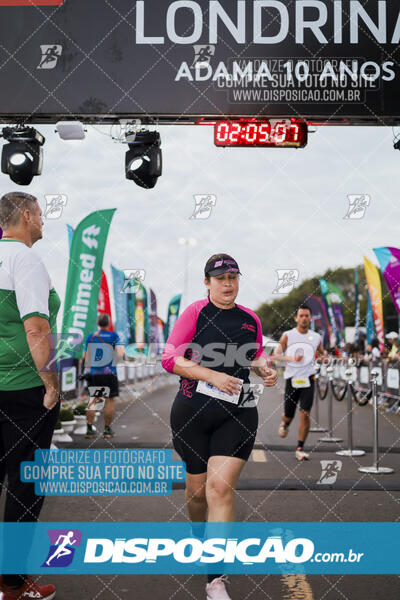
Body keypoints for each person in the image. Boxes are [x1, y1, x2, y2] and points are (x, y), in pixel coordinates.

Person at [161, 253, 277, 600]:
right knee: (197, 493)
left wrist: (266, 368)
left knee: (220, 489)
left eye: (233, 277)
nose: (228, 284)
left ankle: (216, 578)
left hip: (238, 411)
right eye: (221, 278)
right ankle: (200, 538)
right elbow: (170, 358)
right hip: (192, 413)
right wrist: (212, 374)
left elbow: (255, 354)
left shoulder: (249, 318)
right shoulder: (195, 313)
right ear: (208, 282)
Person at [0, 192, 60, 600]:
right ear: (26, 215)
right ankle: (14, 586)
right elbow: (36, 329)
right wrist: (52, 383)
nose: (43, 221)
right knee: (25, 487)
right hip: (23, 390)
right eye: (40, 215)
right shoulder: (24, 259)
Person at [273, 304, 324, 461]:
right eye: (301, 315)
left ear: (310, 318)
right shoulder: (288, 335)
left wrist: (322, 357)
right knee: (289, 415)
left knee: (305, 414)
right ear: (296, 318)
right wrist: (291, 359)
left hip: (309, 379)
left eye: (306, 315)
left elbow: (322, 353)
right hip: (292, 379)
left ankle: (300, 447)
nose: (304, 318)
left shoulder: (316, 337)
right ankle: (285, 423)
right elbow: (276, 355)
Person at [81, 314, 125, 438]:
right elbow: (121, 354)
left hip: (95, 373)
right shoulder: (113, 336)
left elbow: (84, 357)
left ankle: (89, 430)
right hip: (109, 373)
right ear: (108, 323)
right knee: (109, 401)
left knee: (94, 400)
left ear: (98, 323)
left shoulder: (91, 336)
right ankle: (107, 430)